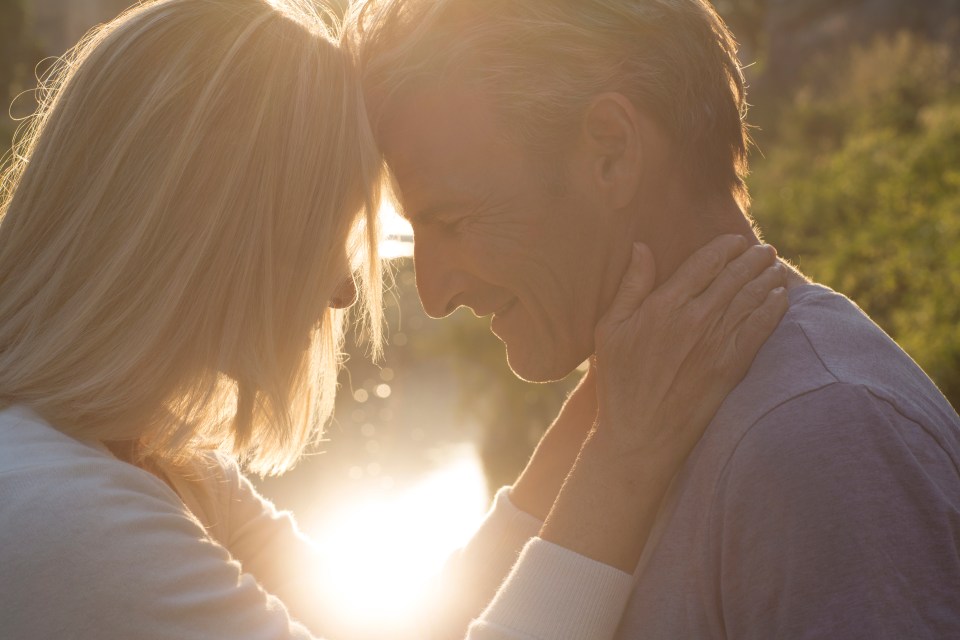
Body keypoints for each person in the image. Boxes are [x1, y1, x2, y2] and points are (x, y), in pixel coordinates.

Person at [0, 0, 789, 639]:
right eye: (328, 232)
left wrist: (600, 411)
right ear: (218, 230)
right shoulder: (67, 521)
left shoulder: (150, 460)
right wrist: (624, 459)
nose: (343, 291)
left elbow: (400, 627)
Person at [347, 0, 960, 637]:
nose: (432, 293)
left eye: (452, 222)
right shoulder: (635, 418)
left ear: (611, 151)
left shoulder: (821, 439)